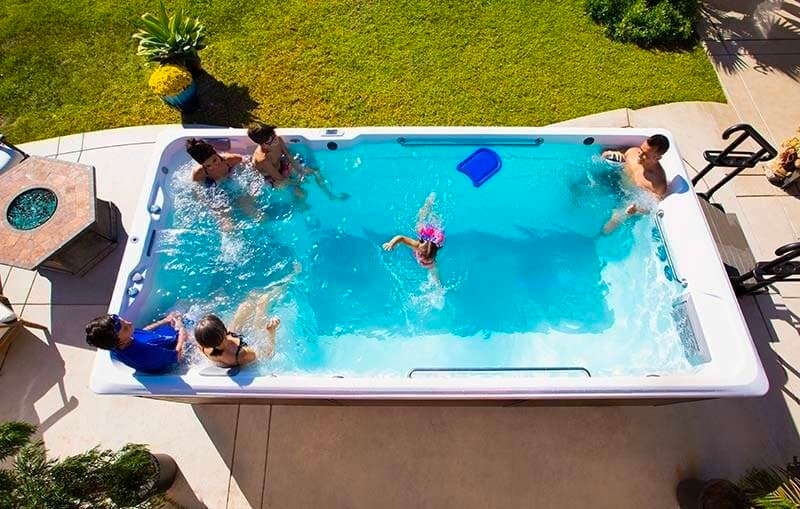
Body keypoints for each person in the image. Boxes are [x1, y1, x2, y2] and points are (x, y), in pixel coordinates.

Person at [193, 262, 299, 368]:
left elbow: (202, 344)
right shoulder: (241, 354)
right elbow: (267, 355)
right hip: (244, 343)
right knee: (263, 302)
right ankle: (291, 279)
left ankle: (266, 290)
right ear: (224, 330)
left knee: (245, 305)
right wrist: (271, 332)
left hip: (226, 342)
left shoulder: (204, 346)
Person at [247, 123, 349, 208]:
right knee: (302, 194)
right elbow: (280, 179)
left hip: (281, 166)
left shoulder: (277, 140)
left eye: (273, 134)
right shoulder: (263, 160)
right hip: (271, 178)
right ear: (263, 144)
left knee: (315, 172)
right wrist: (297, 182)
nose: (275, 139)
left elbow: (289, 156)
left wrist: (301, 171)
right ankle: (301, 206)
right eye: (271, 139)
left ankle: (330, 195)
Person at [601, 134, 670, 233]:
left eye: (645, 154)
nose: (640, 156)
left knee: (614, 221)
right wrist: (608, 154)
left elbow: (651, 208)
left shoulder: (658, 184)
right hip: (612, 180)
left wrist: (637, 209)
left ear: (658, 158)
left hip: (626, 199)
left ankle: (598, 237)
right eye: (641, 150)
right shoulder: (632, 152)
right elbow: (604, 153)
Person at [186, 138, 259, 230]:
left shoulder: (230, 160)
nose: (214, 166)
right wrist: (209, 205)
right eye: (208, 166)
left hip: (231, 183)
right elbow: (197, 193)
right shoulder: (199, 173)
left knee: (255, 214)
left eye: (215, 160)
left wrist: (254, 187)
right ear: (203, 165)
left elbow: (250, 165)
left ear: (216, 153)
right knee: (227, 225)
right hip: (214, 189)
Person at [85, 312, 186, 374]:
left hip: (162, 339)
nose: (129, 323)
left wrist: (164, 321)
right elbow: (178, 356)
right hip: (174, 350)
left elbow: (142, 332)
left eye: (123, 321)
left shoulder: (119, 343)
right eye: (125, 327)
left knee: (176, 313)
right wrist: (181, 330)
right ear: (117, 341)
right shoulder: (146, 353)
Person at [383, 192, 444, 279]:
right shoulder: (417, 245)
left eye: (427, 261)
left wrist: (437, 286)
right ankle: (428, 204)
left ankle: (433, 213)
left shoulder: (432, 255)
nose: (423, 261)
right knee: (420, 222)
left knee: (434, 223)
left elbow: (433, 271)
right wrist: (391, 243)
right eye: (423, 259)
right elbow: (401, 238)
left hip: (434, 237)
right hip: (427, 233)